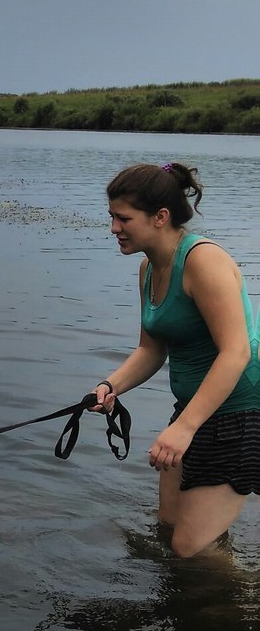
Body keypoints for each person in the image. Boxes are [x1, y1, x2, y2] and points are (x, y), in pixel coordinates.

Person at [94, 161, 259, 558]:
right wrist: (110, 385)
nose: (114, 228)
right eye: (112, 217)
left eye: (123, 218)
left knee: (189, 549)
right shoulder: (148, 268)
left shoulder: (204, 261)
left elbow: (237, 351)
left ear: (160, 217)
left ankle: (248, 596)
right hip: (195, 410)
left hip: (240, 413)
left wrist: (183, 428)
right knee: (168, 531)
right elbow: (151, 349)